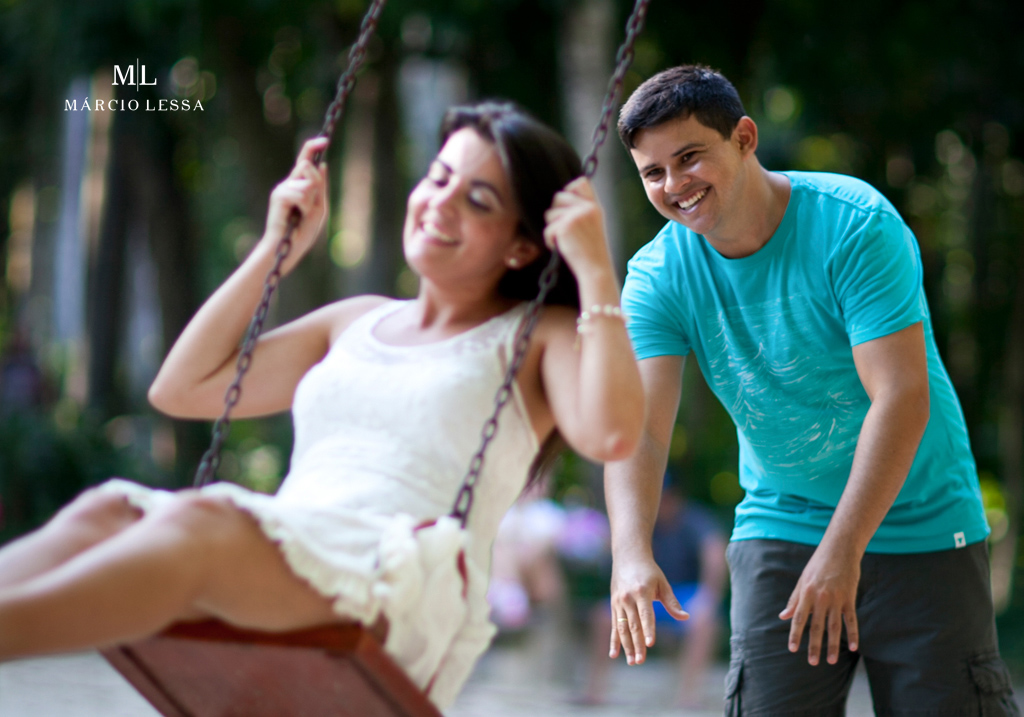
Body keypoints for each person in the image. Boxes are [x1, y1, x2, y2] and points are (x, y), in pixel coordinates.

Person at [0, 101, 645, 710]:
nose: (440, 204)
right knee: (108, 508)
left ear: (522, 247)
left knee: (199, 526)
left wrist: (594, 272)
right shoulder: (356, 322)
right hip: (298, 543)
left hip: (397, 576)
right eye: (439, 177)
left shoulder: (536, 340)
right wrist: (274, 250)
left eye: (477, 200)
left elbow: (611, 436)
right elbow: (183, 389)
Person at [603, 65, 1018, 715]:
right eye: (653, 172)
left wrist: (843, 549)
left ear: (743, 138)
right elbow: (643, 427)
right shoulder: (658, 276)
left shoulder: (854, 225)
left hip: (924, 524)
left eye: (689, 158)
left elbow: (901, 396)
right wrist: (629, 551)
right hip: (784, 520)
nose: (674, 185)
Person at [581, 477, 726, 708]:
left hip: (682, 596)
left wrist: (708, 596)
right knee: (603, 615)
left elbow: (715, 553)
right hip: (645, 594)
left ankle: (689, 696)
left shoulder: (694, 519)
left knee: (705, 621)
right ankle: (594, 691)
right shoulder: (640, 520)